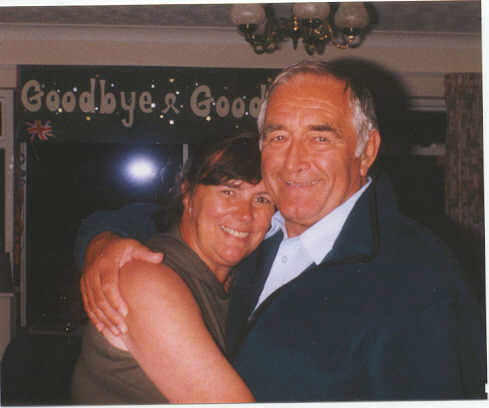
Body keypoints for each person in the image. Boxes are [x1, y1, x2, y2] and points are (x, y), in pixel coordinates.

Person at [76, 60, 486, 401]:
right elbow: (169, 220)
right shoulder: (262, 235)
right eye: (278, 136)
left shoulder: (418, 280)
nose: (293, 161)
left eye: (319, 138)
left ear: (368, 151)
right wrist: (103, 240)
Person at [71, 132, 275, 404]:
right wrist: (99, 242)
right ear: (187, 195)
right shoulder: (145, 279)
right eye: (228, 192)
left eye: (262, 199)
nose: (245, 214)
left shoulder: (244, 279)